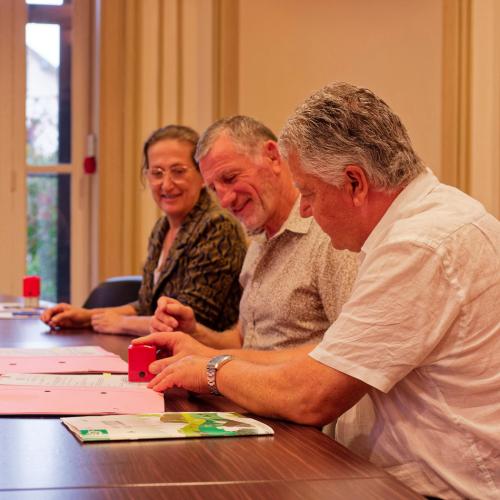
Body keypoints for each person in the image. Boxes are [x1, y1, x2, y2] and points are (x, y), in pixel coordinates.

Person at [134, 84, 500, 499]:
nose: (304, 209)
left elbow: (313, 396)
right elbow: (319, 363)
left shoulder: (417, 245)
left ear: (354, 183)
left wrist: (211, 370)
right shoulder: (424, 220)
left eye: (308, 193)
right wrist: (205, 349)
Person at [150, 115, 358, 351]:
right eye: (214, 188)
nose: (225, 200)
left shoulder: (328, 236)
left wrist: (216, 368)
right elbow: (244, 342)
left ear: (272, 156)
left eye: (230, 178)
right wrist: (193, 332)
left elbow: (348, 354)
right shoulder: (259, 239)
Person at [41, 125, 247, 336]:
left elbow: (188, 321)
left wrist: (120, 323)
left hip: (205, 360)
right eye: (157, 173)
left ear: (202, 175)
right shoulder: (162, 228)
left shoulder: (218, 227)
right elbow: (147, 306)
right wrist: (86, 316)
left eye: (178, 171)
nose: (166, 185)